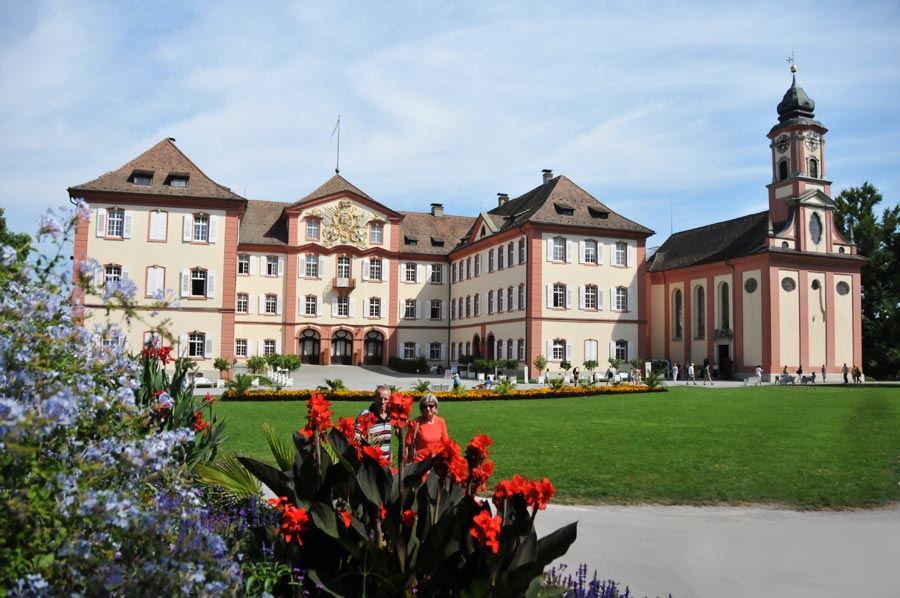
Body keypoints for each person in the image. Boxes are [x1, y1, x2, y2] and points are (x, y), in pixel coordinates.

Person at [405, 393, 449, 463]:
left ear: (436, 407)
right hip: (419, 464)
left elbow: (446, 443)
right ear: (421, 408)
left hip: (436, 463)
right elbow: (406, 446)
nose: (428, 408)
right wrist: (404, 464)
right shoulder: (415, 423)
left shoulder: (441, 421)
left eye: (431, 406)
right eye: (425, 406)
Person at [356, 385, 392, 462]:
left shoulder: (390, 415)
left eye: (385, 399)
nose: (382, 402)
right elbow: (356, 439)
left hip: (385, 462)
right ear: (374, 398)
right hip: (370, 461)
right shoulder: (365, 415)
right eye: (380, 398)